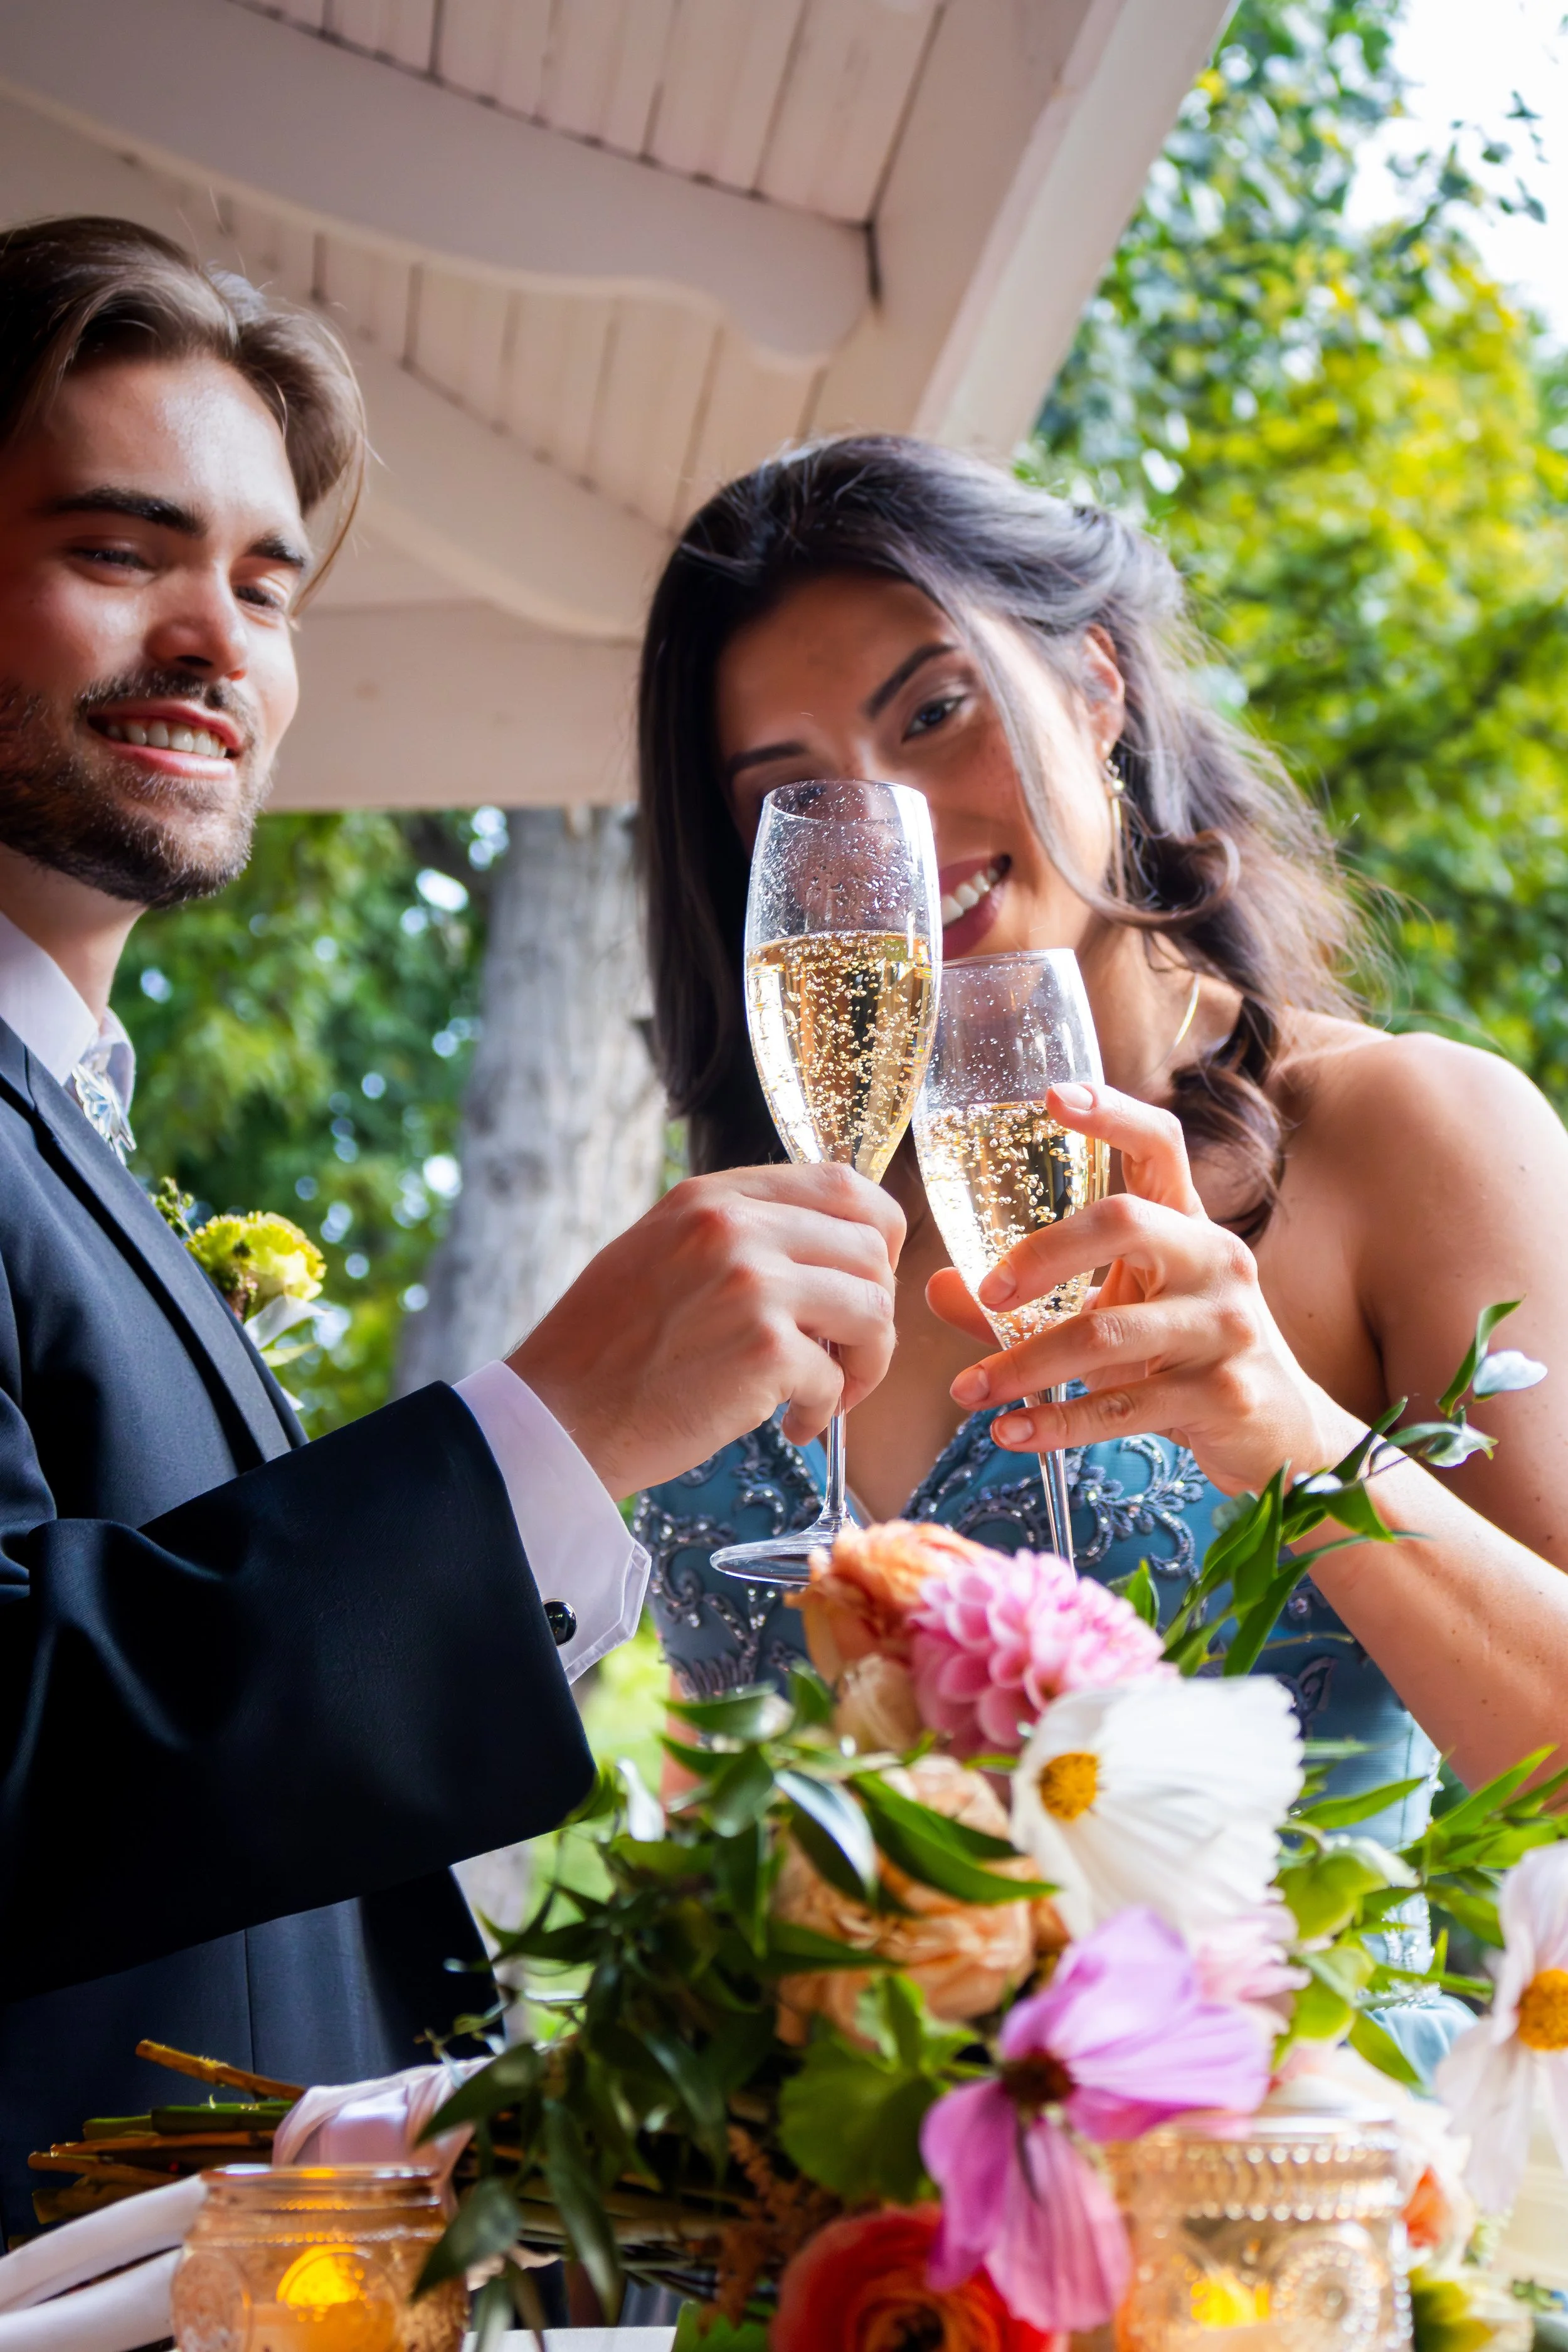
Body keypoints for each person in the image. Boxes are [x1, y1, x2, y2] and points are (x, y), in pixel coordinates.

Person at [0, 219, 905, 2237]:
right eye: (122, 552)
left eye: (265, 582)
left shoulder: (65, 1116)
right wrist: (548, 1426)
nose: (220, 643)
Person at [634, 435, 1568, 2064]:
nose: (895, 827)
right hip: (808, 2274)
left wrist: (1293, 1437)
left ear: (1094, 686)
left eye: (936, 711)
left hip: (1259, 2243)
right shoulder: (787, 1238)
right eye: (800, 794)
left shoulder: (1405, 1134)